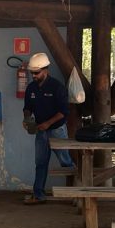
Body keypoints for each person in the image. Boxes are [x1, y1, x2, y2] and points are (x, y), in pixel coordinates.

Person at [22, 52, 75, 205]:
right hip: (40, 130)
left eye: (37, 73)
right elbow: (27, 107)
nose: (34, 76)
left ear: (46, 70)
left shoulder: (57, 87)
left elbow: (63, 112)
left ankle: (75, 194)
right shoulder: (31, 88)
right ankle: (38, 194)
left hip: (57, 130)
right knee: (40, 163)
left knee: (66, 162)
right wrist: (26, 118)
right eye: (32, 73)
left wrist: (48, 124)